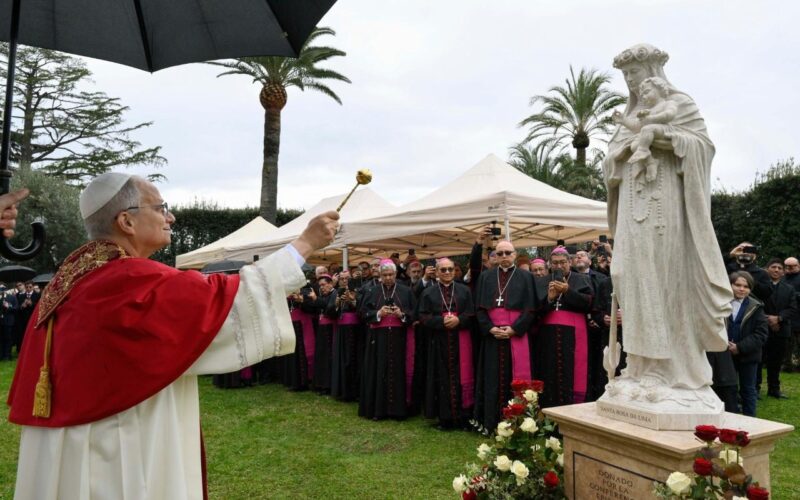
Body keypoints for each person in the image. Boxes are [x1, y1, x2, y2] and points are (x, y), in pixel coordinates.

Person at [7, 173, 338, 499]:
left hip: (68, 441)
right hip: (116, 441)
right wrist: (304, 243)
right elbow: (227, 301)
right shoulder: (129, 277)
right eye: (160, 207)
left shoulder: (70, 278)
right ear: (127, 221)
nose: (171, 216)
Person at [602, 43, 733, 405]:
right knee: (626, 275)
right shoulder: (633, 115)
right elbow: (610, 163)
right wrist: (623, 152)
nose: (630, 82)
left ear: (653, 74)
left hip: (667, 213)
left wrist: (664, 139)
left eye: (636, 73)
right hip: (632, 213)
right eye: (626, 76)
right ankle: (640, 366)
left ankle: (673, 369)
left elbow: (702, 148)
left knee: (663, 281)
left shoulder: (680, 105)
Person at [473, 240, 539, 432]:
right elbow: (479, 308)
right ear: (495, 255)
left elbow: (531, 309)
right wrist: (489, 328)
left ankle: (520, 424)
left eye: (507, 253)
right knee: (491, 377)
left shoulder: (526, 277)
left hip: (516, 335)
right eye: (499, 253)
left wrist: (515, 329)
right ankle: (491, 422)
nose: (503, 256)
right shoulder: (486, 277)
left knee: (516, 378)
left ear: (515, 254)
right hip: (492, 336)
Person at [531, 247, 594, 407]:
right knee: (548, 371)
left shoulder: (582, 279)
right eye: (555, 263)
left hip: (573, 335)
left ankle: (574, 408)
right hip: (548, 337)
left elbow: (589, 304)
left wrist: (568, 291)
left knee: (571, 373)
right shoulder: (542, 282)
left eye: (562, 262)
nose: (559, 266)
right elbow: (534, 310)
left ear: (570, 262)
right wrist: (549, 299)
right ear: (550, 264)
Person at [419, 258, 476, 429]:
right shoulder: (428, 293)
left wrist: (459, 320)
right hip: (439, 342)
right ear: (436, 272)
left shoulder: (464, 290)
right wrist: (441, 322)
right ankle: (445, 418)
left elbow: (472, 313)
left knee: (462, 377)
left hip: (461, 340)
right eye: (443, 270)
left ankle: (464, 417)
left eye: (450, 269)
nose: (447, 273)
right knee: (441, 378)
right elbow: (422, 316)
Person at [359, 259, 416, 420]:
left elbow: (415, 314)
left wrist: (402, 315)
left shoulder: (406, 291)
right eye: (385, 275)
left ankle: (398, 410)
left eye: (391, 274)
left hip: (400, 338)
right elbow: (363, 313)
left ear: (396, 274)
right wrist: (378, 313)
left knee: (398, 372)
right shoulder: (372, 291)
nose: (388, 278)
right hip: (378, 338)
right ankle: (379, 410)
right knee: (379, 371)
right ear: (380, 276)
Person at [612, 76, 677, 183]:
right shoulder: (647, 111)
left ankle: (643, 150)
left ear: (660, 89)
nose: (644, 97)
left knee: (648, 129)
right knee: (634, 146)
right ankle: (651, 162)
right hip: (649, 132)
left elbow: (670, 114)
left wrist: (651, 119)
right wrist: (623, 120)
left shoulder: (668, 103)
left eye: (647, 92)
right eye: (642, 96)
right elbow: (638, 127)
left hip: (666, 130)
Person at [724, 271, 769, 417]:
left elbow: (760, 334)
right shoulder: (721, 304)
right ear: (730, 285)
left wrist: (739, 347)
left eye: (746, 286)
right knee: (727, 389)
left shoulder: (757, 307)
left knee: (748, 390)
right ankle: (729, 420)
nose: (742, 289)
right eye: (737, 285)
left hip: (748, 355)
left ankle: (750, 422)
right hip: (724, 354)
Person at [758, 259, 797, 399]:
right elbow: (756, 305)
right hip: (761, 328)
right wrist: (768, 319)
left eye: (780, 268)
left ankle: (774, 390)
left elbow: (793, 309)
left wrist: (778, 318)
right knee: (759, 360)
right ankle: (755, 389)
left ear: (783, 271)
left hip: (781, 329)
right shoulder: (759, 287)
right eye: (773, 267)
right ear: (767, 269)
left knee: (776, 361)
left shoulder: (789, 289)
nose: (776, 270)